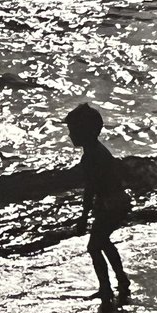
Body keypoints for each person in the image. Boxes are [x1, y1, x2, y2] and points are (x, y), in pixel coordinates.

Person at [64, 102, 131, 300]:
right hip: (117, 202)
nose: (70, 135)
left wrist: (84, 216)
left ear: (85, 131)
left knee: (94, 246)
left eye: (73, 130)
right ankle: (120, 279)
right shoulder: (97, 151)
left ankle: (106, 288)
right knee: (102, 242)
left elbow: (91, 189)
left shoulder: (92, 156)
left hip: (111, 204)